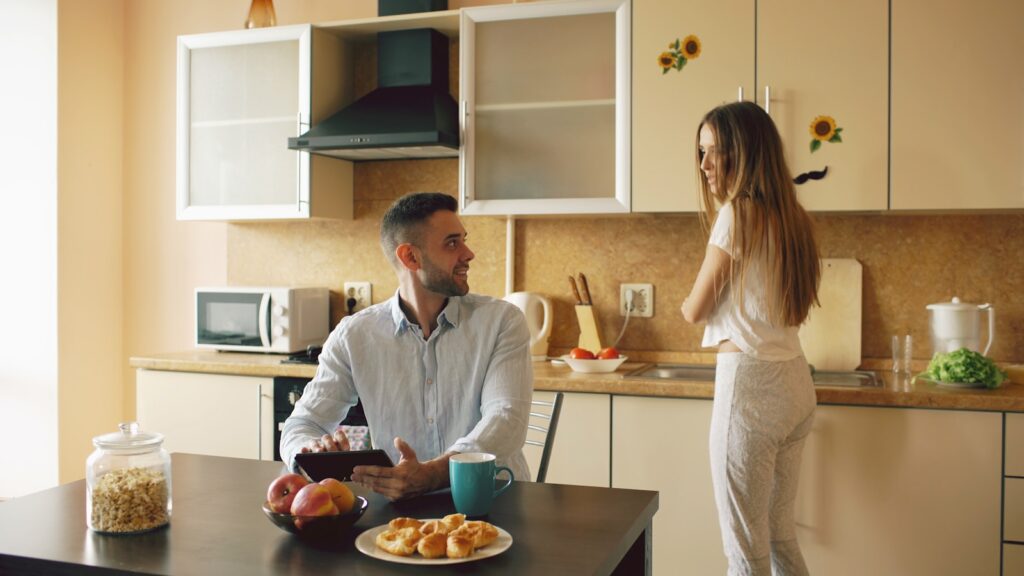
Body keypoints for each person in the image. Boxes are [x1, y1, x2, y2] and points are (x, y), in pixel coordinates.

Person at [280, 192, 533, 500]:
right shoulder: (354, 335)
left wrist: (435, 473)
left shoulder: (501, 321)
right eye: (452, 243)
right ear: (411, 257)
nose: (468, 253)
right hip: (399, 519)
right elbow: (303, 423)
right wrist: (309, 452)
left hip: (494, 502)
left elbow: (506, 419)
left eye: (463, 240)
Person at [681, 101, 821, 576]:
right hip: (794, 385)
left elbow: (695, 308)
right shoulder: (794, 217)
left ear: (746, 154)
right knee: (780, 536)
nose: (703, 166)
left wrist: (687, 304)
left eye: (715, 153)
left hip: (750, 390)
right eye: (701, 153)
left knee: (744, 549)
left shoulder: (736, 215)